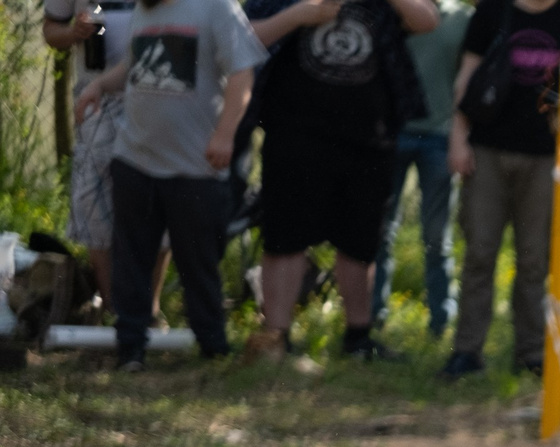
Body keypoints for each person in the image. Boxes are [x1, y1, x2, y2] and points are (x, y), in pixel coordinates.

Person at [242, 0, 441, 364]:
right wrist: (298, 15)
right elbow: (241, 36)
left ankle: (358, 338)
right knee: (285, 237)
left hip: (368, 136)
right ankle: (276, 337)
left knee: (360, 241)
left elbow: (427, 19)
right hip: (294, 133)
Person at [72, 0, 264, 370]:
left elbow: (242, 73)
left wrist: (225, 134)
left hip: (196, 169)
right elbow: (134, 65)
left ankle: (212, 349)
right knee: (131, 261)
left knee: (199, 264)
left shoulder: (216, 8)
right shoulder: (144, 10)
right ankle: (130, 348)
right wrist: (99, 85)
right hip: (135, 160)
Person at [442, 0, 560, 379]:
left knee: (534, 261)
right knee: (480, 253)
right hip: (486, 151)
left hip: (548, 159)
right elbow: (466, 77)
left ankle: (531, 353)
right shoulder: (491, 12)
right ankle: (467, 351)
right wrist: (457, 140)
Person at [373, 0, 472, 339]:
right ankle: (372, 317)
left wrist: (461, 137)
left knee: (436, 234)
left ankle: (441, 320)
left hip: (441, 138)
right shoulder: (389, 11)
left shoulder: (462, 19)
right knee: (381, 229)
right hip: (393, 133)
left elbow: (468, 79)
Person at [41, 0, 144, 293]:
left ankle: (149, 305)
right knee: (93, 200)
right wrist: (74, 32)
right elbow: (51, 31)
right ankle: (111, 304)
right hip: (95, 96)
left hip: (156, 93)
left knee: (156, 196)